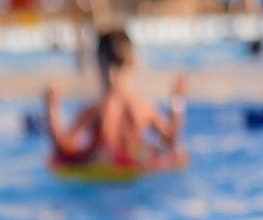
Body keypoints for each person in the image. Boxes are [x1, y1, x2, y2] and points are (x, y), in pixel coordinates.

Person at [44, 30, 188, 167]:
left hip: (102, 174)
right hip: (136, 171)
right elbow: (170, 139)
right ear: (133, 63)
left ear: (99, 63)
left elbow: (62, 146)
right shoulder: (143, 107)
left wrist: (52, 105)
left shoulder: (96, 110)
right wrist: (178, 100)